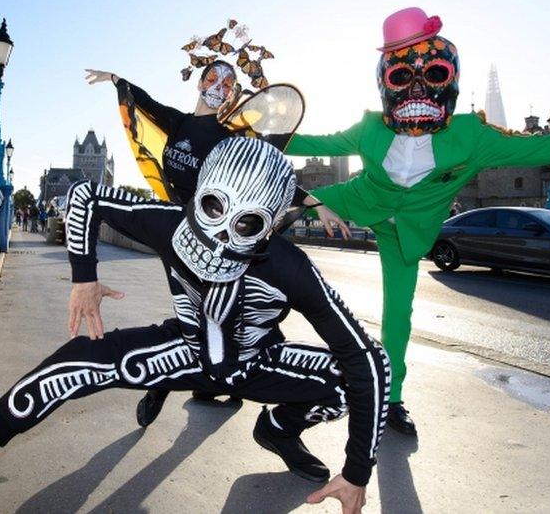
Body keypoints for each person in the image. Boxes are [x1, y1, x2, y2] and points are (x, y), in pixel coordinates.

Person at [0, 138, 390, 513]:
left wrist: (357, 471)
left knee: (363, 378)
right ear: (197, 196)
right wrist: (83, 277)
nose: (217, 238)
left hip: (254, 363)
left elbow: (366, 359)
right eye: (210, 209)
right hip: (186, 348)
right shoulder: (168, 223)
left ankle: (278, 428)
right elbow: (86, 198)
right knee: (69, 366)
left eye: (246, 224)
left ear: (271, 225)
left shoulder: (290, 267)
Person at [286, 6, 550, 436]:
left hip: (406, 231)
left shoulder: (473, 138)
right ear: (384, 83)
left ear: (450, 78)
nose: (417, 88)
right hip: (358, 197)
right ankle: (241, 326)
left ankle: (391, 398)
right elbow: (302, 139)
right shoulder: (369, 129)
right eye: (401, 77)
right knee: (267, 208)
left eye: (432, 74)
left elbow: (546, 148)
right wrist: (247, 121)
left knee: (398, 315)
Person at [85, 23, 351, 426]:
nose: (219, 85)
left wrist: (318, 205)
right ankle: (183, 383)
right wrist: (117, 80)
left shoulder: (228, 141)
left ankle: (179, 385)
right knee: (198, 318)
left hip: (215, 241)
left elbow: (265, 177)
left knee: (207, 318)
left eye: (228, 83)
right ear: (200, 83)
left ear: (232, 95)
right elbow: (145, 102)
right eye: (213, 77)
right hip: (179, 235)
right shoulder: (177, 124)